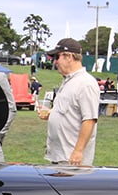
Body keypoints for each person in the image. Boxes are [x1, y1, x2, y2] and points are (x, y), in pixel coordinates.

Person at [37, 38, 99, 166]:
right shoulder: (68, 82)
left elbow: (89, 120)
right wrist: (52, 113)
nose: (55, 62)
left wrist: (78, 151)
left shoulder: (86, 84)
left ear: (69, 56)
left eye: (57, 57)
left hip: (71, 160)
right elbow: (70, 110)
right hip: (60, 156)